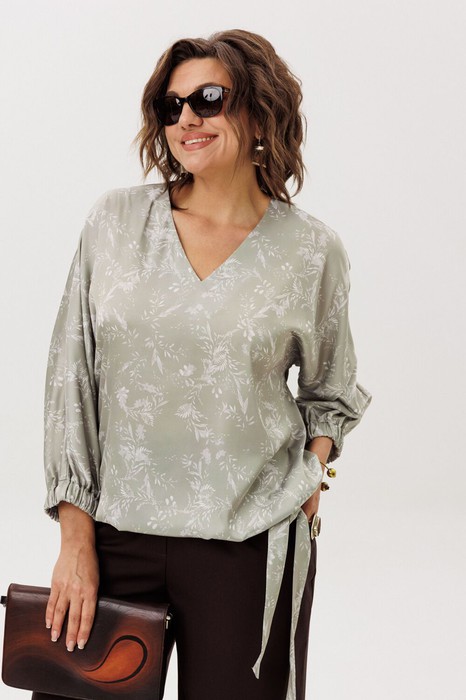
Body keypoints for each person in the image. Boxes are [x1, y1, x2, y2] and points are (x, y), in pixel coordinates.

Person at [35, 29, 372, 700]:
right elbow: (71, 381)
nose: (187, 117)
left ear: (260, 113)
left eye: (209, 99)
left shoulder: (310, 251)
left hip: (249, 545)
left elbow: (331, 390)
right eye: (172, 105)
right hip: (115, 538)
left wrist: (311, 476)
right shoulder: (115, 223)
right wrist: (75, 541)